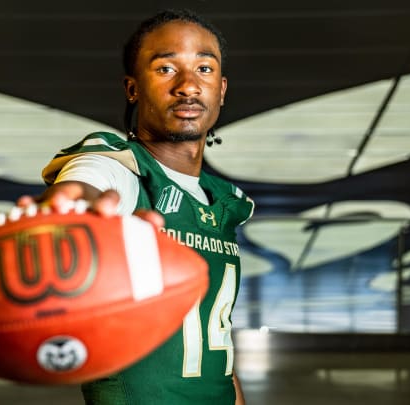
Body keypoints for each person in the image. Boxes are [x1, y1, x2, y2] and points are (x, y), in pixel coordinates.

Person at [35, 9, 254, 405]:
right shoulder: (119, 167)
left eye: (204, 68)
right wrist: (70, 216)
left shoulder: (223, 201)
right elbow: (79, 194)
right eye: (166, 68)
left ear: (221, 89)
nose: (188, 86)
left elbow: (212, 340)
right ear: (133, 88)